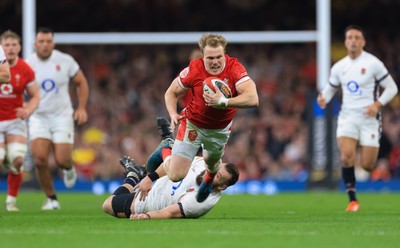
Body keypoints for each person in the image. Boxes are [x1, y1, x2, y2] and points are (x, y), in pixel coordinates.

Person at [159, 33, 258, 202]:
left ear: (224, 54)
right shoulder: (194, 69)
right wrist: (173, 113)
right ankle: (166, 147)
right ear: (203, 56)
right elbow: (171, 92)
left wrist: (224, 102)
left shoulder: (235, 69)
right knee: (175, 175)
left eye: (219, 57)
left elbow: (253, 99)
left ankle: (208, 178)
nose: (215, 62)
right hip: (193, 125)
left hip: (219, 131)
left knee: (212, 163)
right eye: (210, 58)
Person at [317, 25, 398, 212]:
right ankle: (352, 200)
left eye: (356, 37)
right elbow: (330, 88)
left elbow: (392, 88)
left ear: (363, 41)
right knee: (346, 156)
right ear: (346, 42)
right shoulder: (339, 67)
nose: (353, 40)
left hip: (369, 119)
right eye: (349, 38)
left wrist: (377, 105)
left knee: (368, 165)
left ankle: (370, 168)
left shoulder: (373, 64)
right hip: (348, 117)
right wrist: (324, 98)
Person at [26, 27, 90, 210]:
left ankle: (69, 168)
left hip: (61, 116)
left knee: (62, 160)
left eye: (48, 41)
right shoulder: (28, 64)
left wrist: (82, 108)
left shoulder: (65, 61)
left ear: (53, 43)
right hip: (38, 116)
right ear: (35, 44)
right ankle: (51, 198)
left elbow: (81, 82)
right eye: (41, 42)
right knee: (39, 159)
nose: (45, 45)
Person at [102, 153, 239, 220]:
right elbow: (172, 163)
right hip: (154, 187)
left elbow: (169, 213)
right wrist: (150, 178)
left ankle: (133, 176)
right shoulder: (205, 163)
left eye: (218, 175)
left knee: (107, 205)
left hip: (148, 203)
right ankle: (135, 175)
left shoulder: (201, 201)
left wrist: (146, 216)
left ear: (222, 187)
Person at [0, 30, 40, 211]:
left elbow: (35, 96)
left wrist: (28, 109)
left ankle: (10, 201)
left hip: (15, 120)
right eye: (6, 45)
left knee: (17, 161)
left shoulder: (25, 70)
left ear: (19, 47)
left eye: (13, 45)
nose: (10, 48)